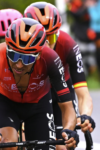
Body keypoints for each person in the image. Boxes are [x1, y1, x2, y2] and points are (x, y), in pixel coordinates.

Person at [0, 17, 79, 150]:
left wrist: (69, 131)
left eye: (27, 58)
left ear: (38, 55)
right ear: (7, 48)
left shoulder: (50, 58)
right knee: (6, 144)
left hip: (38, 104)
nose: (19, 65)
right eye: (13, 56)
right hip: (6, 103)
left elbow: (67, 107)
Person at [24, 2, 96, 150]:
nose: (48, 47)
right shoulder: (21, 49)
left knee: (63, 146)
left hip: (60, 92)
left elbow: (83, 94)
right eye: (43, 40)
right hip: (32, 94)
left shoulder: (68, 44)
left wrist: (85, 116)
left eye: (51, 38)